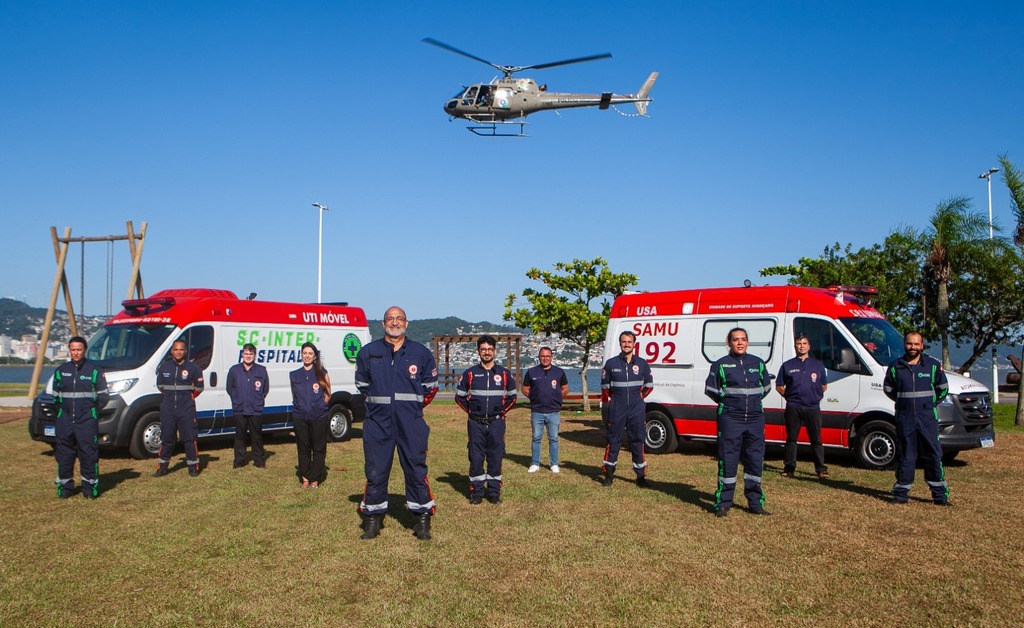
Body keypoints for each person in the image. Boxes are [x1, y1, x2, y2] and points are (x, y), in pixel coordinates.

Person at [355, 307, 439, 541]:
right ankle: (372, 518)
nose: (395, 323)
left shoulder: (420, 353)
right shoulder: (368, 352)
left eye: (399, 319)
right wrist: (380, 407)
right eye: (390, 319)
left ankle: (422, 519)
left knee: (415, 469)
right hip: (377, 423)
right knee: (375, 470)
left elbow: (430, 388)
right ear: (383, 324)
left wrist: (411, 409)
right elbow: (362, 385)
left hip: (410, 423)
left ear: (407, 323)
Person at [704, 327, 772, 517]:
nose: (740, 343)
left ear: (748, 342)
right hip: (730, 418)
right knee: (728, 460)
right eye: (735, 340)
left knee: (755, 460)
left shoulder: (758, 363)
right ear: (729, 343)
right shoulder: (720, 365)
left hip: (755, 419)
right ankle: (723, 503)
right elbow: (712, 390)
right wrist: (731, 405)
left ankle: (755, 503)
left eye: (743, 339)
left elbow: (766, 388)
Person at [883, 331, 951, 506]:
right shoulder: (895, 366)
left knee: (933, 454)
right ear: (904, 344)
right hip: (905, 419)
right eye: (909, 344)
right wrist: (904, 404)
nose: (912, 347)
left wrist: (929, 405)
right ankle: (901, 494)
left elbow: (942, 389)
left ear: (922, 346)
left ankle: (939, 495)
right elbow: (889, 389)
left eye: (916, 344)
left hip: (927, 418)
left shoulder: (933, 366)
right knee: (906, 455)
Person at [456, 335, 517, 504]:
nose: (487, 352)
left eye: (490, 349)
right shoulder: (470, 374)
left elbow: (513, 396)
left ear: (495, 351)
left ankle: (494, 493)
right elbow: (459, 396)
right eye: (483, 349)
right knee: (476, 458)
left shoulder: (504, 374)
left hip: (497, 423)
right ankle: (476, 493)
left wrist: (501, 412)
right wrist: (471, 412)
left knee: (495, 457)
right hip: (475, 423)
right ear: (478, 352)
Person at [53, 336, 109, 499]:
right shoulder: (61, 371)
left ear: (85, 350)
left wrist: (90, 412)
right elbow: (56, 397)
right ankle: (65, 487)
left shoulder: (94, 370)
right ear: (69, 351)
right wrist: (64, 412)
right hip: (65, 420)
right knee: (64, 454)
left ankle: (89, 488)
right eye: (73, 350)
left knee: (88, 454)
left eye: (79, 349)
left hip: (86, 420)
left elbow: (103, 397)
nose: (76, 353)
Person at [600, 331, 653, 487]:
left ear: (634, 344)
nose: (627, 344)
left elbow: (649, 385)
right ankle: (608, 475)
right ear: (620, 343)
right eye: (624, 342)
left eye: (629, 342)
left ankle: (641, 477)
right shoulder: (611, 364)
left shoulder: (642, 363)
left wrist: (639, 397)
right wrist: (617, 399)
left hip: (637, 409)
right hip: (617, 408)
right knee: (613, 441)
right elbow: (605, 389)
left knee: (637, 441)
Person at [776, 333, 829, 479]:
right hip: (794, 407)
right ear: (795, 346)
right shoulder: (787, 365)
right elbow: (779, 386)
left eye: (804, 343)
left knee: (816, 440)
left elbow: (824, 386)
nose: (802, 346)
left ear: (809, 346)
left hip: (813, 407)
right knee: (791, 439)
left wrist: (813, 395)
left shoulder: (817, 365)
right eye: (799, 344)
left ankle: (821, 469)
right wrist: (791, 397)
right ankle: (789, 468)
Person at [154, 339, 205, 477]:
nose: (178, 352)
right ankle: (162, 467)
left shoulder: (194, 368)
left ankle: (193, 467)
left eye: (181, 349)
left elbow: (199, 388)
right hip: (168, 408)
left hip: (186, 408)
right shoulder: (164, 367)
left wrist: (187, 398)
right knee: (167, 438)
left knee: (189, 438)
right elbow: (160, 386)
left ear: (185, 351)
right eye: (176, 349)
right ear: (172, 351)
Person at [290, 342, 330, 489]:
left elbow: (328, 394)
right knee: (303, 448)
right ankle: (305, 477)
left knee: (318, 448)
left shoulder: (322, 373)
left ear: (314, 357)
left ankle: (315, 478)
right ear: (301, 355)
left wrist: (320, 406)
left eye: (310, 353)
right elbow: (295, 395)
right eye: (304, 353)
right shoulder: (294, 375)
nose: (307, 356)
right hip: (300, 417)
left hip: (318, 417)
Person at [522, 346, 569, 474]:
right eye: (542, 356)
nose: (545, 358)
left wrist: (557, 398)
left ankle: (554, 464)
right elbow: (525, 388)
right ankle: (535, 463)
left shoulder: (559, 372)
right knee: (536, 438)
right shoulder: (532, 372)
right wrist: (534, 397)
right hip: (537, 411)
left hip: (553, 412)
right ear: (539, 357)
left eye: (548, 356)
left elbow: (565, 388)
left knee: (553, 438)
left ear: (551, 357)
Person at [226, 343, 270, 468]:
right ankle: (239, 461)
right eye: (246, 353)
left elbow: (265, 389)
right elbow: (230, 388)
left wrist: (258, 399)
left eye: (251, 354)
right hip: (239, 408)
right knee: (240, 436)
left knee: (257, 436)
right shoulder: (234, 370)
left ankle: (259, 460)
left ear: (255, 355)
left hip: (255, 409)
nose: (248, 356)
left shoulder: (261, 370)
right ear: (242, 355)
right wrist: (236, 399)